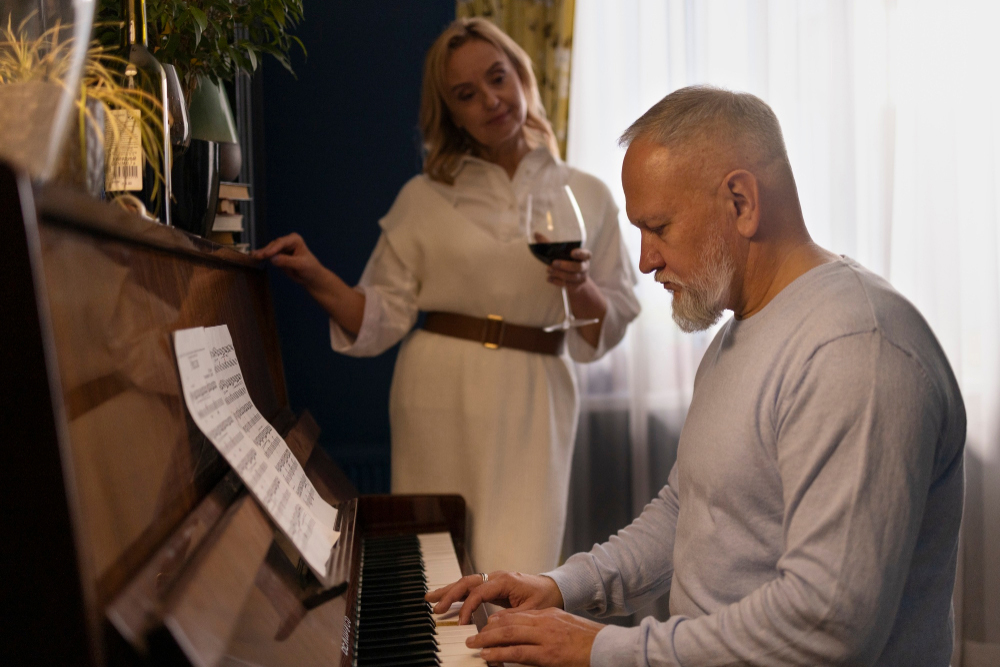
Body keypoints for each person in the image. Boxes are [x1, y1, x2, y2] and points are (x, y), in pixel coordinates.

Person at [427, 86, 966, 667]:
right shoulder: (743, 328)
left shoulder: (856, 351)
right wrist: (561, 587)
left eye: (657, 226)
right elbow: (690, 513)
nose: (644, 259)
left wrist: (601, 648)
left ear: (741, 201)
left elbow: (825, 624)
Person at [253, 18, 640, 576]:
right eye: (466, 94)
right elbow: (382, 315)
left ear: (522, 77)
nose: (490, 99)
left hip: (535, 395)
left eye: (497, 78)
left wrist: (580, 288)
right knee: (436, 566)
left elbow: (608, 326)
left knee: (519, 571)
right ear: (450, 111)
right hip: (436, 391)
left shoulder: (589, 195)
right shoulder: (424, 195)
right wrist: (316, 275)